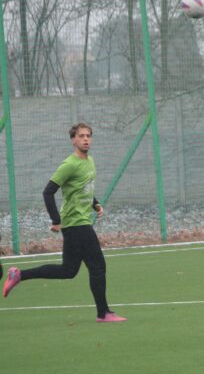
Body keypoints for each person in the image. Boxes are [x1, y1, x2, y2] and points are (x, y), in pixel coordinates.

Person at [2, 122, 127, 323]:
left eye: (88, 136)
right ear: (73, 140)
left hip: (79, 222)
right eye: (81, 136)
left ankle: (19, 275)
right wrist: (56, 220)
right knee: (98, 266)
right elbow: (48, 192)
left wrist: (95, 204)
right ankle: (103, 313)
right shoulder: (69, 164)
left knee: (68, 270)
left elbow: (83, 188)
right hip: (76, 224)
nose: (86, 139)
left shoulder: (90, 161)